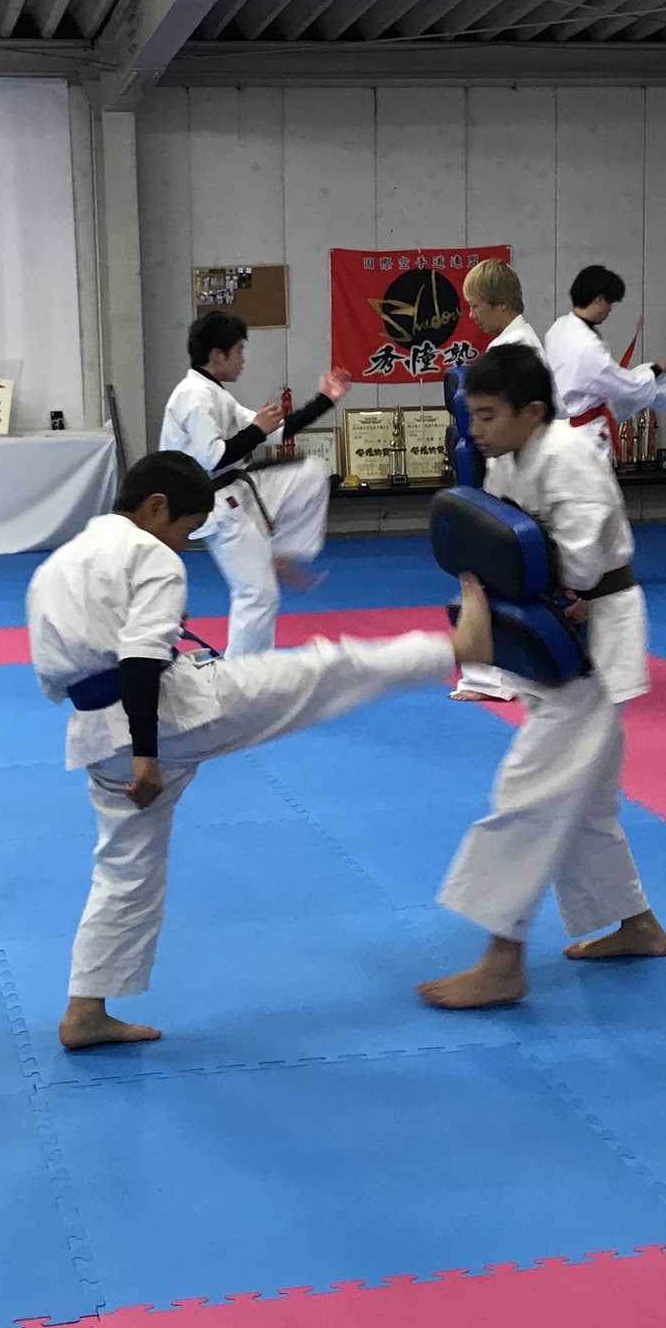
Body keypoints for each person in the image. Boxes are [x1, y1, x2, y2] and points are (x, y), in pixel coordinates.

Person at [29, 449, 495, 1049]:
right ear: (156, 506)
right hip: (168, 715)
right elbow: (141, 659)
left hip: (96, 734)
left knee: (125, 869)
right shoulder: (150, 554)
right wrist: (147, 751)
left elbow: (57, 675)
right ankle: (458, 648)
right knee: (324, 670)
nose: (184, 544)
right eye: (186, 529)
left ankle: (85, 1011)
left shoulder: (57, 566)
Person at [419, 344, 666, 1012]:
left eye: (487, 415)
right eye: (470, 415)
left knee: (528, 793)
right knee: (583, 806)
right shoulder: (509, 457)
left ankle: (503, 960)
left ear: (532, 410)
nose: (475, 429)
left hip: (590, 645)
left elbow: (580, 564)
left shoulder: (568, 456)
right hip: (550, 632)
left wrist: (544, 586)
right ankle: (637, 926)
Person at [160, 309, 348, 654]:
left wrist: (325, 399)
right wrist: (256, 430)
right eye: (239, 351)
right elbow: (212, 457)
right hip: (211, 504)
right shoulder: (194, 396)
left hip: (234, 490)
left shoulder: (215, 393)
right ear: (217, 356)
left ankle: (279, 552)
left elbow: (278, 431)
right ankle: (240, 675)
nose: (243, 360)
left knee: (311, 473)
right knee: (257, 594)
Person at [451, 258, 544, 705]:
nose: (471, 315)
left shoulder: (517, 352)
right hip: (508, 470)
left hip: (517, 473)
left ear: (501, 304)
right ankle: (499, 672)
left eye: (476, 306)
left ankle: (494, 676)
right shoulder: (512, 346)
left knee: (493, 572)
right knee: (494, 572)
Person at [543, 264, 666, 460]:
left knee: (651, 383)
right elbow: (628, 386)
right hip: (585, 435)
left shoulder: (558, 329)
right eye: (609, 302)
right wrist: (656, 370)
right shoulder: (586, 346)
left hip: (569, 425)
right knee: (655, 382)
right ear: (598, 299)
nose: (610, 309)